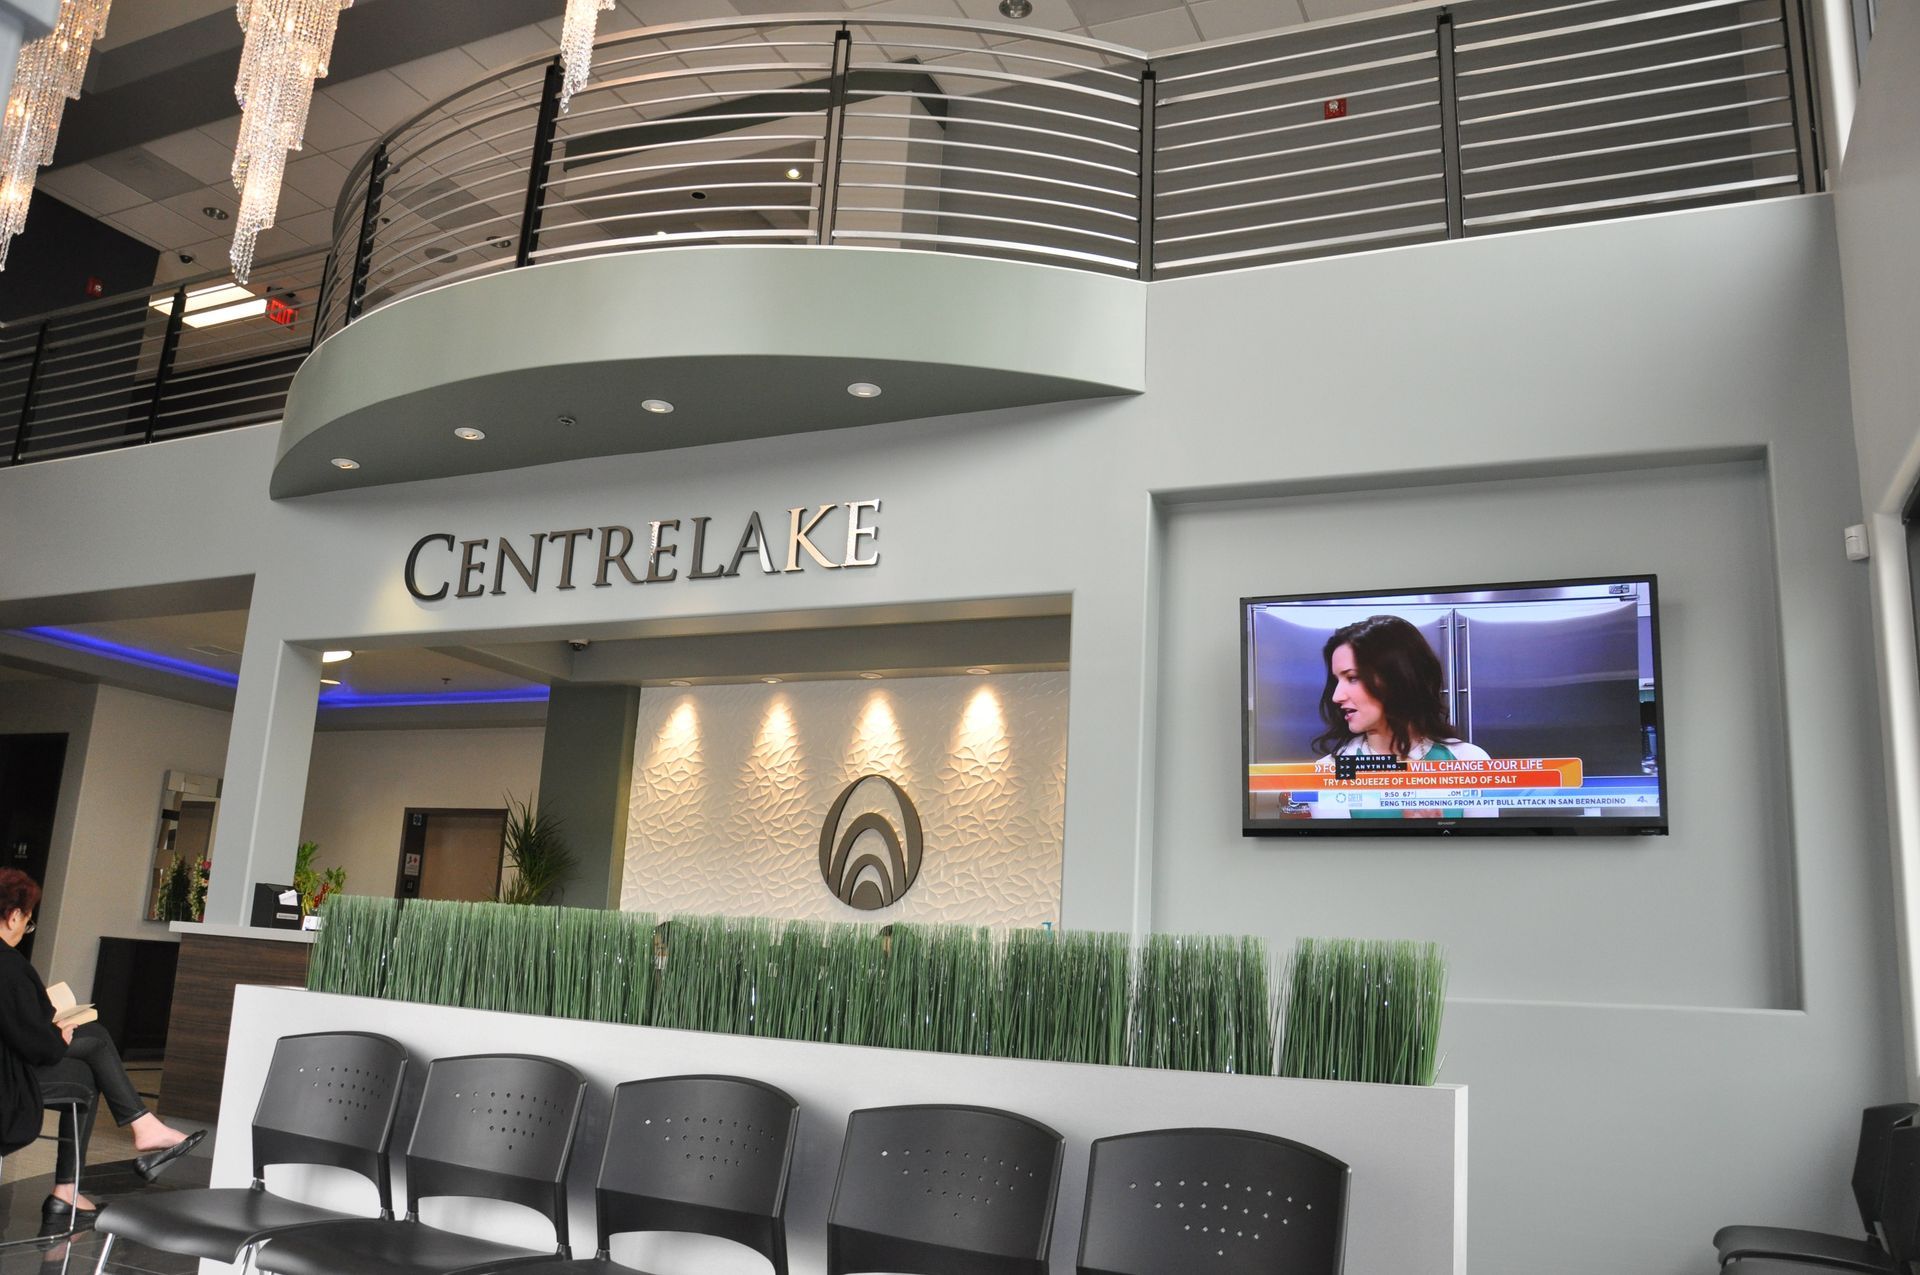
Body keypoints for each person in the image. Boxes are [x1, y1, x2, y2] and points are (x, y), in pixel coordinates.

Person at [0, 869, 204, 1226]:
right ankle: (75, 1182)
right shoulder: (8, 966)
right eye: (28, 923)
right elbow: (33, 1044)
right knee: (91, 1050)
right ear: (14, 915)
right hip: (6, 1082)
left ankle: (77, 1182)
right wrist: (56, 1035)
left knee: (88, 1059)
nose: (24, 931)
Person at [1310, 615, 1490, 818]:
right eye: (1337, 680)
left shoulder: (1470, 761)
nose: (1336, 696)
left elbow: (1484, 848)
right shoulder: (1330, 771)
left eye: (1353, 678)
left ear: (1398, 679)